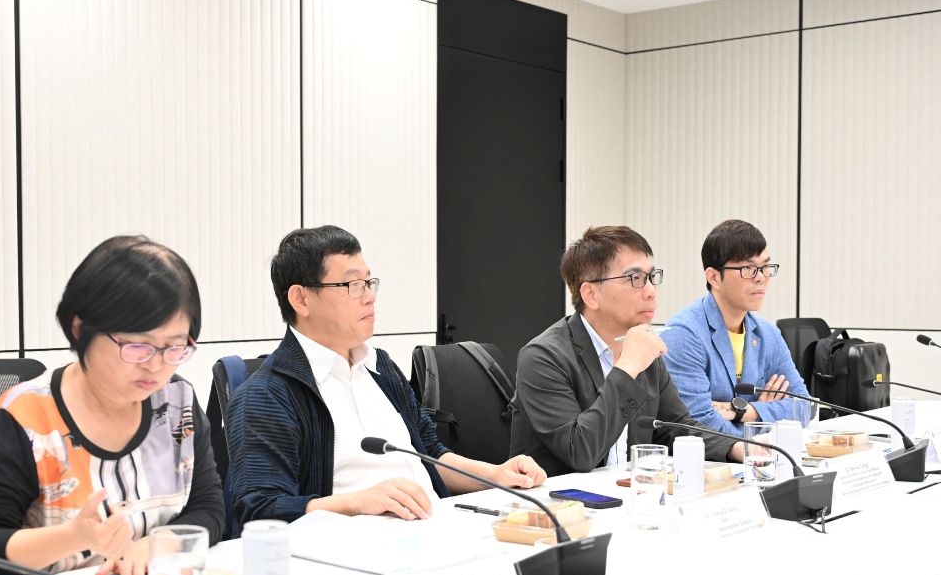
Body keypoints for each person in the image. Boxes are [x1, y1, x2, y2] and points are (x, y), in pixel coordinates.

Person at [224, 225, 546, 533]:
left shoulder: (381, 368)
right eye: (352, 285)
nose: (369, 297)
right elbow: (260, 509)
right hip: (350, 553)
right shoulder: (266, 395)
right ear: (301, 299)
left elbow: (430, 454)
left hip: (435, 529)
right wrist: (358, 503)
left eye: (369, 283)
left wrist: (496, 475)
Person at [0, 235, 224, 575]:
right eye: (137, 346)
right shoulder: (24, 417)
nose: (156, 365)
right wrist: (74, 537)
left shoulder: (177, 402)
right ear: (80, 329)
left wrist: (156, 545)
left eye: (174, 347)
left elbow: (209, 508)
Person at [509, 226, 742, 476]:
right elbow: (580, 451)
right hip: (558, 497)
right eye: (635, 279)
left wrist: (736, 448)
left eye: (651, 277)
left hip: (626, 491)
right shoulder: (543, 357)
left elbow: (675, 427)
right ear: (591, 294)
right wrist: (628, 368)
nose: (651, 291)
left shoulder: (643, 349)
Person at [662, 219, 809, 435]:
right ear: (714, 277)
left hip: (758, 454)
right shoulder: (683, 335)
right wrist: (761, 427)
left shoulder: (768, 334)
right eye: (748, 268)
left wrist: (743, 411)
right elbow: (699, 423)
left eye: (765, 267)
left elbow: (804, 407)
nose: (761, 278)